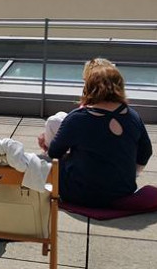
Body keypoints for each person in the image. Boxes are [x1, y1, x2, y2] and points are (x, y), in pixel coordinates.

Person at [48, 66, 152, 207]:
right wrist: (129, 173)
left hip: (81, 194)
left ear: (89, 87)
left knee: (48, 164)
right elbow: (146, 152)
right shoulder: (133, 116)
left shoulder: (77, 118)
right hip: (122, 191)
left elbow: (54, 152)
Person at [38, 57, 114, 151]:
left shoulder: (95, 97)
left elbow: (83, 119)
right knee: (60, 115)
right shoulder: (112, 97)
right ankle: (48, 141)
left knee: (52, 122)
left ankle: (49, 149)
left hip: (89, 137)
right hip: (95, 132)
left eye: (86, 80)